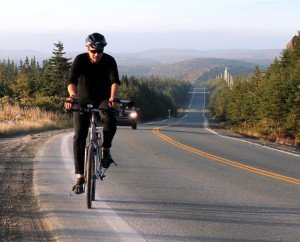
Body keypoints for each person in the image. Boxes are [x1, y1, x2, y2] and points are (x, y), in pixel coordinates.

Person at [65, 33, 121, 194]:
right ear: (88, 48)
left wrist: (113, 98)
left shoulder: (109, 60)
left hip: (103, 99)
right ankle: (80, 178)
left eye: (99, 51)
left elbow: (114, 81)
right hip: (81, 99)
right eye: (93, 51)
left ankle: (106, 150)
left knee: (110, 120)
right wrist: (72, 97)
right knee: (79, 135)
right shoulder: (80, 60)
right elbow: (71, 81)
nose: (96, 54)